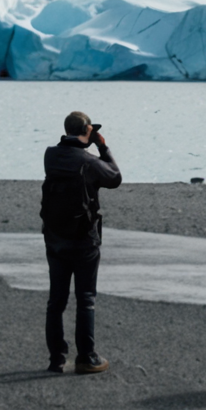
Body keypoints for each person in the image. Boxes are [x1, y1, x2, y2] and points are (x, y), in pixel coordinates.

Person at [40, 110, 121, 374]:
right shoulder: (88, 161)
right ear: (86, 129)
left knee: (57, 300)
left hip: (55, 238)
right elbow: (114, 178)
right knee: (85, 298)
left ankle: (57, 360)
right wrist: (103, 146)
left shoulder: (50, 155)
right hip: (84, 241)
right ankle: (86, 357)